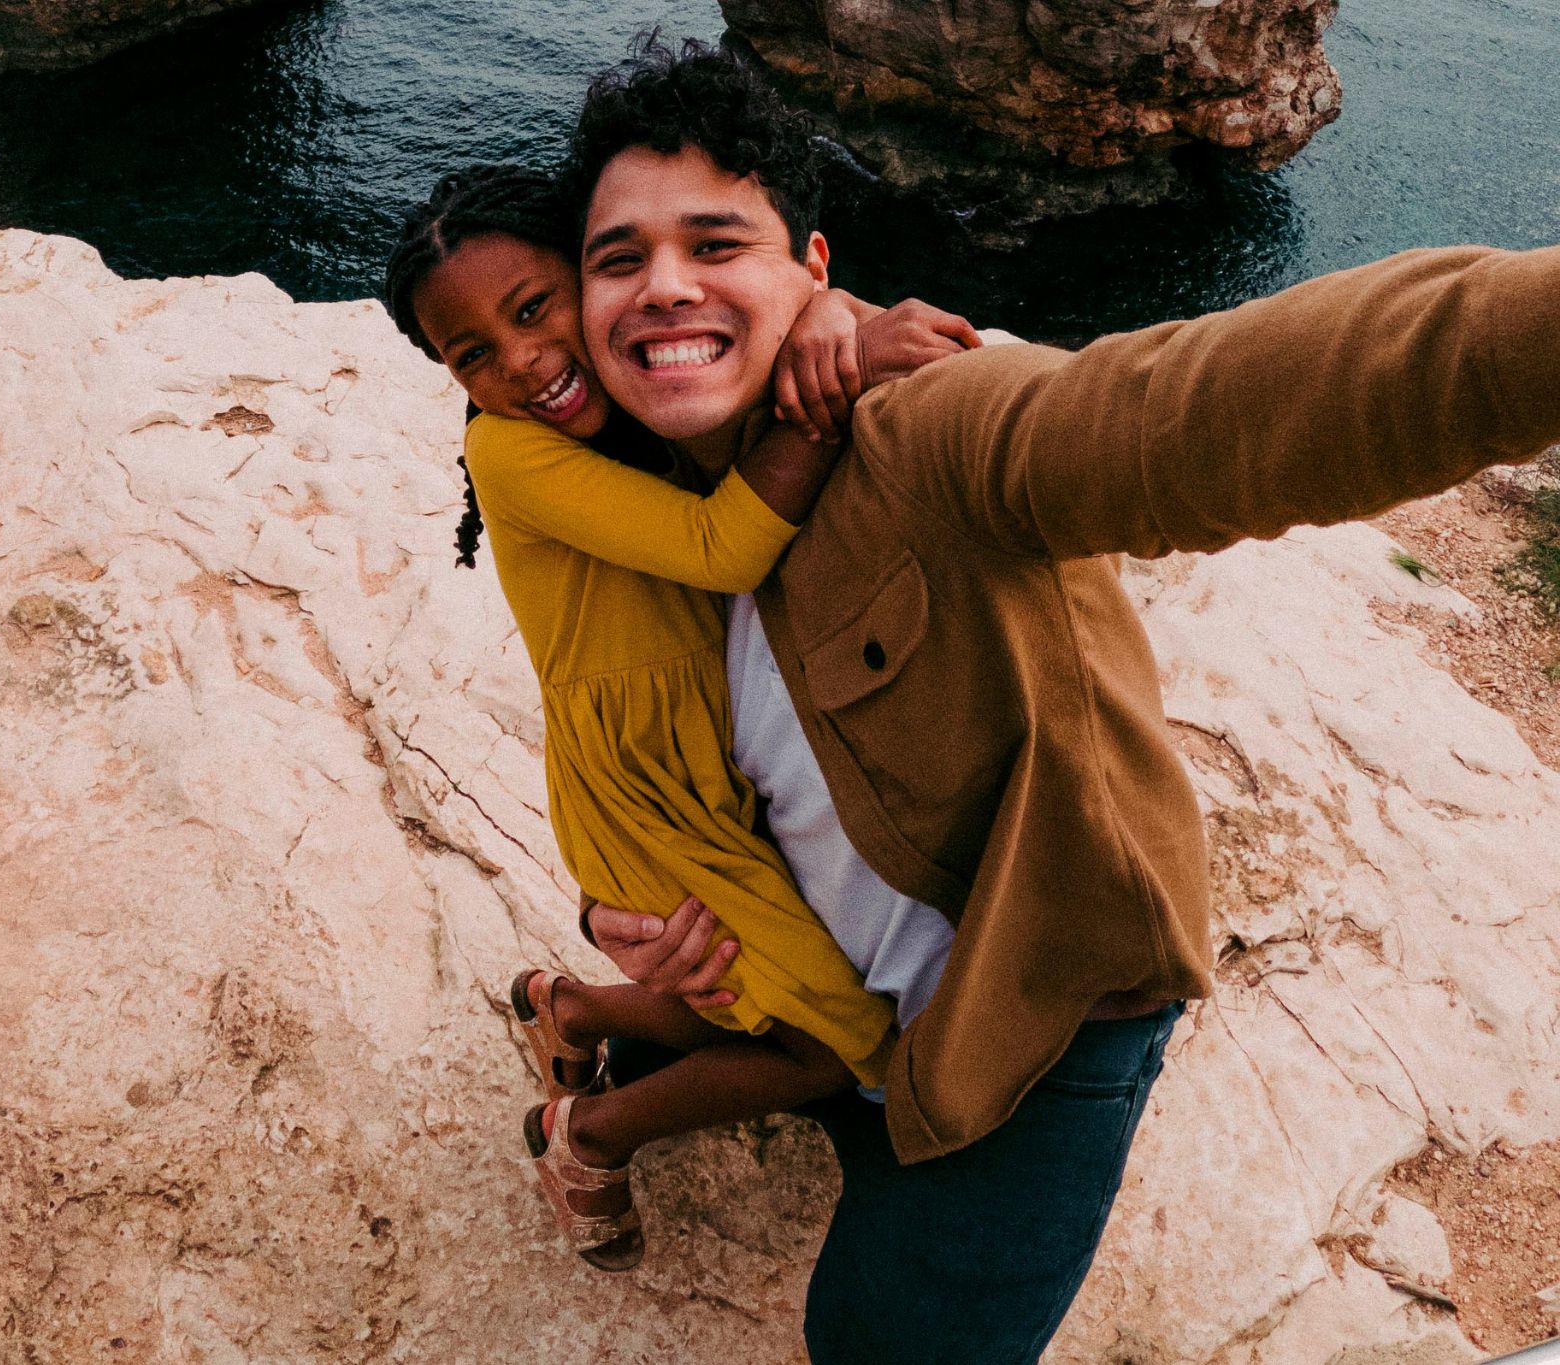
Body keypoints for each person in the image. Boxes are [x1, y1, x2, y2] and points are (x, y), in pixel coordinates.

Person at [562, 35, 1560, 1362]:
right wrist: (613, 907)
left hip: (1027, 1014)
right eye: (617, 259)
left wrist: (1528, 338)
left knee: (876, 1339)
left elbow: (1188, 413)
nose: (663, 287)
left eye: (715, 243)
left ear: (808, 267)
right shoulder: (621, 505)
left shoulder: (921, 431)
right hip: (830, 974)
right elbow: (614, 750)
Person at [380, 163, 981, 1270]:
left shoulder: (642, 402)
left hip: (703, 753)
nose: (519, 360)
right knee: (829, 1041)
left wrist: (832, 315)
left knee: (752, 974)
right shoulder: (505, 448)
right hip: (639, 785)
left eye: (532, 309)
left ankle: (572, 1013)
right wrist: (835, 383)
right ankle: (587, 1136)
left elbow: (777, 311)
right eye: (471, 354)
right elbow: (723, 546)